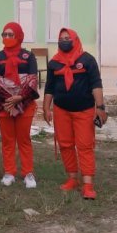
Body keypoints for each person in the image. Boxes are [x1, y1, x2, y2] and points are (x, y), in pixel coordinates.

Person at [44, 28, 107, 199]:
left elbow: (96, 84)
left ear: (75, 39)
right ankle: (72, 178)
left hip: (84, 110)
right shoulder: (54, 63)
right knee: (65, 144)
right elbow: (49, 87)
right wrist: (46, 107)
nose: (64, 41)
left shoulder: (87, 60)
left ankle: (87, 184)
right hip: (61, 110)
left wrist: (100, 107)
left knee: (85, 145)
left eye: (67, 38)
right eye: (61, 38)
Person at [0, 22, 40, 188]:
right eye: (4, 34)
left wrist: (20, 97)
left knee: (24, 139)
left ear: (19, 36)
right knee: (7, 140)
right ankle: (9, 172)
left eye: (11, 34)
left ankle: (28, 173)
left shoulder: (28, 56)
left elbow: (32, 80)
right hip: (4, 105)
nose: (7, 37)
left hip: (25, 104)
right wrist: (11, 99)